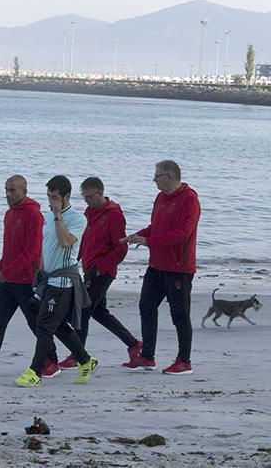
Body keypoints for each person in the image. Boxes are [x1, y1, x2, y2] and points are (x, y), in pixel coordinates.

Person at [0, 175, 60, 379]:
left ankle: (51, 361)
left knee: (36, 324)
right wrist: (0, 271)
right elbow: (8, 248)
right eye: (6, 189)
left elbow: (32, 252)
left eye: (13, 190)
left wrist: (9, 272)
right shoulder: (9, 214)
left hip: (26, 281)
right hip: (7, 280)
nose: (8, 194)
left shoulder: (34, 215)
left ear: (24, 191)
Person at [15, 175, 98, 387]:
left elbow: (65, 242)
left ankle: (35, 372)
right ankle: (85, 360)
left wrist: (58, 215)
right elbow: (46, 248)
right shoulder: (49, 218)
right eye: (48, 197)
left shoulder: (78, 219)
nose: (50, 202)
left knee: (43, 325)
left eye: (54, 197)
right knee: (59, 325)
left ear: (66, 196)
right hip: (48, 281)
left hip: (63, 283)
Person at [121, 160, 200, 375]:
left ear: (170, 176)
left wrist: (149, 241)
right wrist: (140, 235)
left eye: (157, 175)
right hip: (156, 266)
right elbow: (156, 227)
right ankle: (147, 357)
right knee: (146, 306)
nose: (153, 179)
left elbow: (183, 234)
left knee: (180, 315)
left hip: (179, 269)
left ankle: (184, 361)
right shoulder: (160, 198)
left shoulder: (189, 199)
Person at [57, 177, 141, 369]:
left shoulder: (114, 215)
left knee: (83, 311)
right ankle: (134, 345)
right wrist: (73, 260)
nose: (87, 201)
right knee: (100, 313)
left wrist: (100, 268)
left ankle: (78, 355)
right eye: (84, 197)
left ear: (100, 193)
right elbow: (84, 240)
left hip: (103, 271)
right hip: (89, 269)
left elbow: (120, 249)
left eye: (89, 197)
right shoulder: (89, 212)